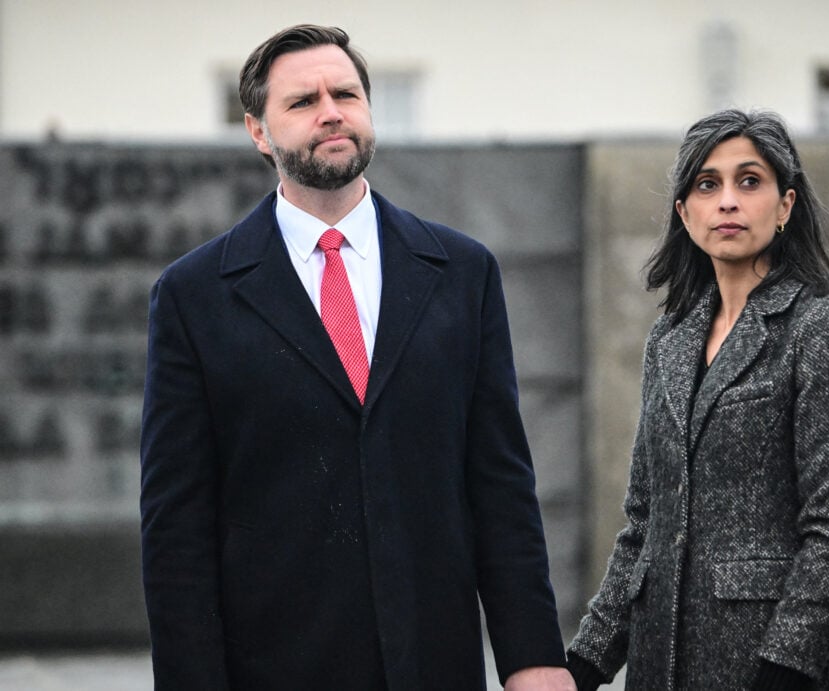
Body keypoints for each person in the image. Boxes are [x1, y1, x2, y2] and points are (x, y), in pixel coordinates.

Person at [140, 24, 575, 691]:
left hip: (433, 663)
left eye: (345, 92)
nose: (331, 110)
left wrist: (533, 657)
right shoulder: (194, 296)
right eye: (302, 101)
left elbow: (500, 485)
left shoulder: (461, 272)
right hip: (274, 667)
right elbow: (178, 526)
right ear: (258, 131)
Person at [565, 109, 829, 690]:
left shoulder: (822, 330)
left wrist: (783, 668)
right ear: (685, 213)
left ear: (785, 205)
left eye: (750, 180)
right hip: (658, 669)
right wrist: (584, 664)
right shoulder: (670, 339)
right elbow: (644, 526)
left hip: (764, 668)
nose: (728, 201)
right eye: (707, 185)